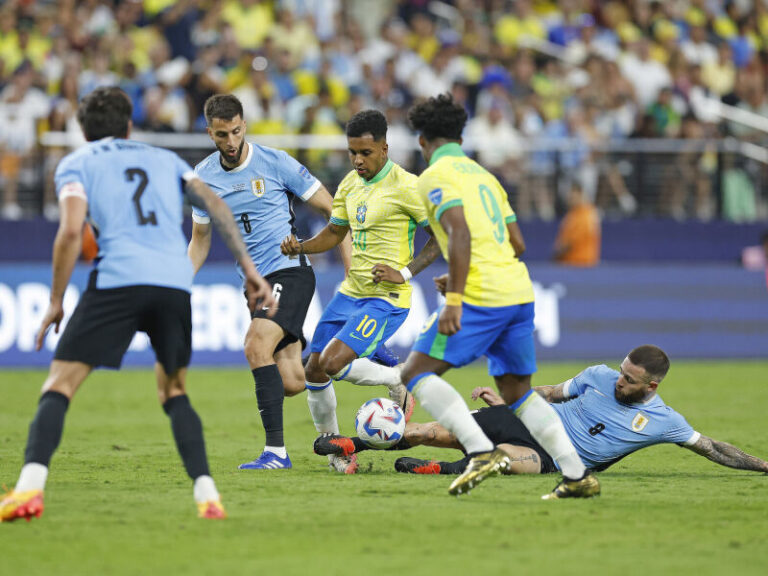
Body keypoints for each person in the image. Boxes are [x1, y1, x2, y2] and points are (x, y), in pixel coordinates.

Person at [0, 87, 276, 522]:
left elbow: (71, 233)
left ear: (84, 131)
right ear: (129, 126)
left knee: (58, 385)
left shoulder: (77, 163)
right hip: (173, 283)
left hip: (119, 280)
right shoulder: (165, 160)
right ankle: (208, 497)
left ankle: (29, 491)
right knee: (174, 392)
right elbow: (216, 205)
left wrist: (56, 300)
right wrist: (251, 268)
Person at [400, 93, 598, 499]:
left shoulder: (434, 177)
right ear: (461, 134)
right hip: (520, 291)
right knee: (517, 393)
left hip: (483, 295)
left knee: (414, 373)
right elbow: (518, 242)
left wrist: (455, 296)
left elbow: (458, 231)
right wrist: (463, 273)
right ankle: (577, 476)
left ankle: (479, 451)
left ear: (423, 141)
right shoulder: (484, 175)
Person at [188, 94, 349, 471]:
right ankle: (373, 373)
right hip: (254, 285)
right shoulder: (202, 178)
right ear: (210, 133)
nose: (230, 141)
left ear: (245, 125)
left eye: (236, 131)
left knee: (255, 345)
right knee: (292, 381)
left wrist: (349, 267)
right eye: (221, 134)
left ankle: (275, 453)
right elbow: (199, 241)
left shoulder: (276, 163)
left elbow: (334, 211)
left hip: (289, 269)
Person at [317, 345, 768, 479]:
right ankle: (350, 444)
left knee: (517, 463)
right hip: (527, 420)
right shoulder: (596, 374)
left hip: (554, 455)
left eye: (629, 380)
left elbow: (711, 448)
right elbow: (550, 393)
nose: (619, 381)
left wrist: (762, 466)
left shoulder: (666, 421)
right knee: (432, 429)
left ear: (652, 386)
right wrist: (509, 402)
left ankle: (439, 470)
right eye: (621, 371)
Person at [281, 109, 441, 473]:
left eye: (365, 153)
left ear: (384, 148)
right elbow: (336, 234)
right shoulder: (350, 185)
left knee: (334, 363)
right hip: (350, 293)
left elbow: (439, 240)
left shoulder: (407, 186)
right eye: (352, 152)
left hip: (386, 299)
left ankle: (398, 378)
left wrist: (405, 271)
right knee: (314, 371)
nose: (357, 160)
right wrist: (302, 247)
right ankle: (338, 452)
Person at [553, 183, 601, 267]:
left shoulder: (586, 215)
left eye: (572, 197)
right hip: (569, 262)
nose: (569, 199)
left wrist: (555, 256)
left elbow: (569, 244)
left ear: (581, 195)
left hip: (580, 264)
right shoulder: (572, 214)